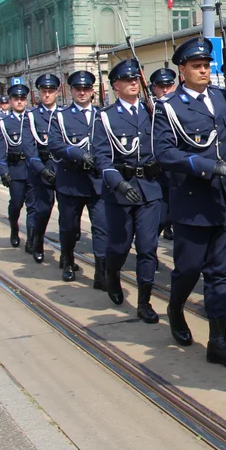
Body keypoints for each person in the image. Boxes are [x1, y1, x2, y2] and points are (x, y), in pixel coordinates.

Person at [152, 37, 226, 370]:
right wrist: (208, 166)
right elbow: (164, 153)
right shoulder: (169, 106)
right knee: (189, 269)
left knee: (219, 273)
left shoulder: (224, 100)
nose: (204, 70)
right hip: (193, 201)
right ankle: (176, 307)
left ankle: (217, 340)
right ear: (182, 70)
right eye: (197, 66)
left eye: (207, 65)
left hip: (225, 199)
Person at [92, 59, 162, 322]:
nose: (133, 83)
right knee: (120, 246)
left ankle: (144, 302)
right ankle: (112, 274)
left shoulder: (152, 111)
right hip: (120, 190)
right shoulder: (106, 117)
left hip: (149, 191)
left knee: (147, 247)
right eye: (127, 80)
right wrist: (118, 183)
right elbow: (101, 157)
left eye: (136, 80)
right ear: (116, 86)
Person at [47, 71, 107, 287]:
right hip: (71, 181)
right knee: (69, 227)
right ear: (70, 91)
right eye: (77, 89)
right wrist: (78, 154)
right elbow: (54, 144)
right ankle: (68, 260)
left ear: (92, 91)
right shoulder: (61, 116)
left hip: (97, 183)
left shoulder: (102, 114)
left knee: (102, 227)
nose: (82, 92)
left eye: (86, 89)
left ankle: (101, 272)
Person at [0, 79, 44, 251]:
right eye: (15, 98)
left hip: (33, 168)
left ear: (26, 100)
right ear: (10, 101)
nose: (19, 101)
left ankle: (31, 238)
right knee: (16, 203)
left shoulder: (33, 119)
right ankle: (14, 228)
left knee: (33, 207)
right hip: (15, 169)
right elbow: (0, 150)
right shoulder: (4, 123)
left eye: (22, 98)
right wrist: (3, 171)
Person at [27, 74, 61, 263]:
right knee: (43, 209)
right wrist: (41, 170)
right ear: (38, 93)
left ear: (57, 92)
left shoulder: (64, 114)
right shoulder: (32, 116)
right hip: (42, 167)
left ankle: (67, 254)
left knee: (67, 212)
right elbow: (29, 148)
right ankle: (38, 240)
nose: (47, 95)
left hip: (63, 168)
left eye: (50, 91)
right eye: (43, 91)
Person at [149, 67, 177, 242]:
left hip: (176, 173)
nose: (165, 90)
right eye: (161, 86)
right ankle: (149, 250)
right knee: (158, 219)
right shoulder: (146, 109)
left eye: (169, 85)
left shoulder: (180, 108)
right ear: (154, 89)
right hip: (155, 176)